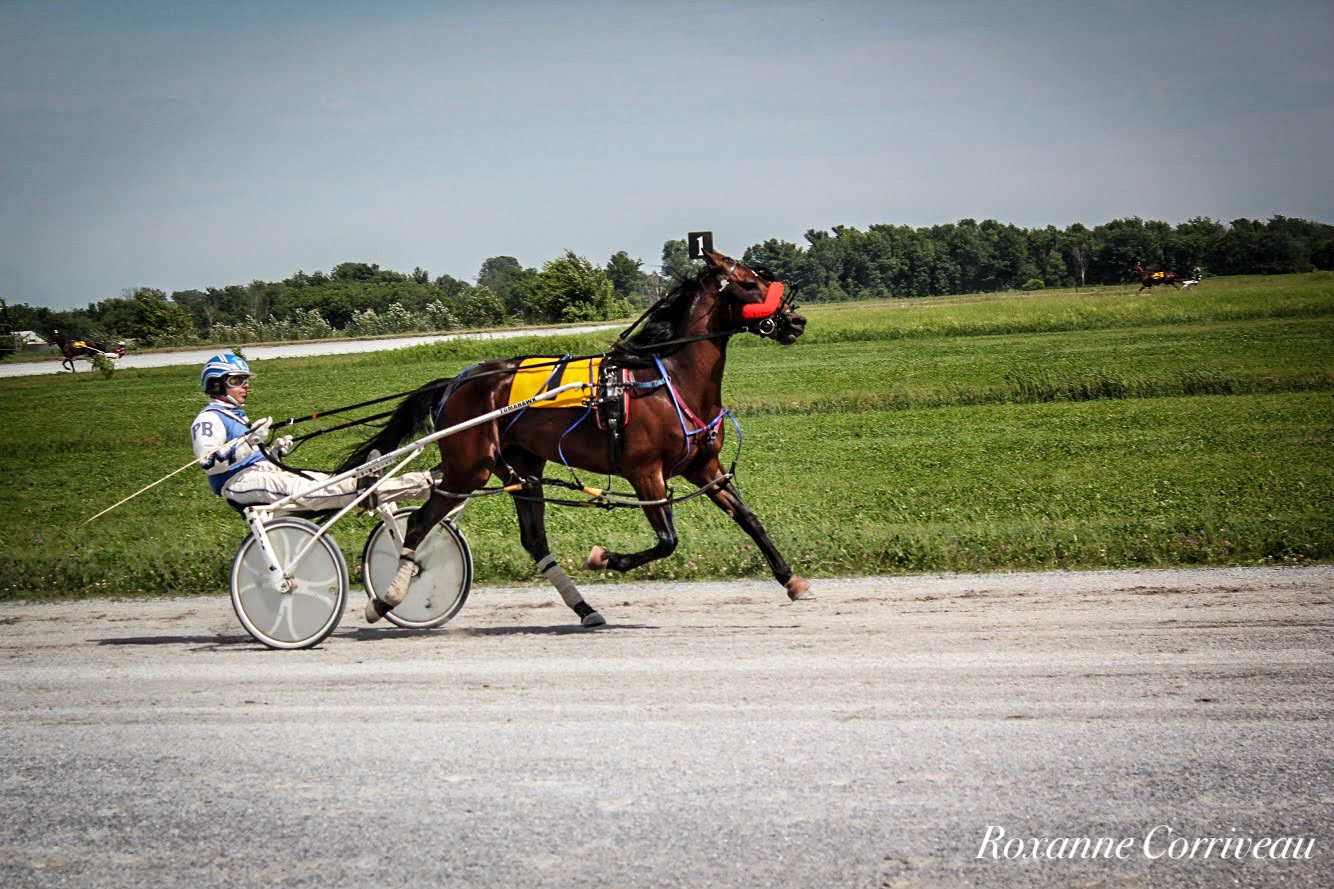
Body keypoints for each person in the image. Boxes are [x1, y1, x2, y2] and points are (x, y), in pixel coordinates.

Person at [190, 353, 434, 512]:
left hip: (261, 472)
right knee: (321, 492)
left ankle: (411, 484)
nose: (245, 385)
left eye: (245, 380)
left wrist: (273, 453)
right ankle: (423, 483)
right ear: (216, 384)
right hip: (239, 483)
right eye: (237, 380)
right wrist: (249, 441)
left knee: (333, 482)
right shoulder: (209, 419)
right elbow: (209, 462)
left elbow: (246, 454)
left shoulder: (234, 416)